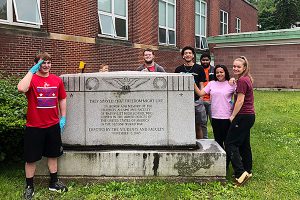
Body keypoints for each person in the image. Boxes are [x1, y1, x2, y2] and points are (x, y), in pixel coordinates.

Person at [17, 52, 68, 199]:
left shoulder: (56, 80)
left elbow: (62, 99)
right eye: (42, 63)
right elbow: (21, 88)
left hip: (52, 125)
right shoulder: (31, 79)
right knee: (31, 158)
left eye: (48, 62)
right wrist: (31, 71)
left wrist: (63, 117)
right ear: (36, 64)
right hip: (34, 126)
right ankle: (29, 186)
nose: (46, 65)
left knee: (53, 155)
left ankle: (53, 183)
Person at [225, 56, 255, 186]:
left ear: (244, 68)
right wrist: (233, 81)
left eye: (238, 66)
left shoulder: (242, 80)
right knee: (244, 144)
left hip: (242, 116)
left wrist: (232, 116)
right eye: (234, 66)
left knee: (230, 143)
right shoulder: (245, 79)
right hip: (249, 116)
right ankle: (247, 170)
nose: (235, 68)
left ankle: (240, 173)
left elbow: (240, 100)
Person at [194, 65, 235, 149]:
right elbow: (200, 93)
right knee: (218, 140)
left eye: (221, 72)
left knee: (227, 141)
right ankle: (221, 159)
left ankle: (227, 160)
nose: (219, 74)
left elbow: (239, 97)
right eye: (217, 72)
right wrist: (193, 83)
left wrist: (234, 79)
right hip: (215, 116)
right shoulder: (211, 83)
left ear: (225, 72)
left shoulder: (231, 84)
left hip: (227, 117)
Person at [174, 46, 207, 139]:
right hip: (183, 101)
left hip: (196, 100)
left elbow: (201, 84)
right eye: (185, 53)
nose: (187, 55)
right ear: (183, 56)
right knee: (184, 125)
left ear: (193, 56)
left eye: (189, 53)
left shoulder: (199, 68)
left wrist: (201, 97)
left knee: (198, 125)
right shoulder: (178, 69)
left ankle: (201, 145)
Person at [200, 53, 215, 139]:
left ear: (210, 60)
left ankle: (217, 138)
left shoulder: (214, 70)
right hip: (201, 100)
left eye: (207, 60)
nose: (205, 61)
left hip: (211, 101)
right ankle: (204, 139)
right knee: (203, 122)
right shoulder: (198, 69)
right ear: (201, 61)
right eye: (203, 60)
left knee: (214, 121)